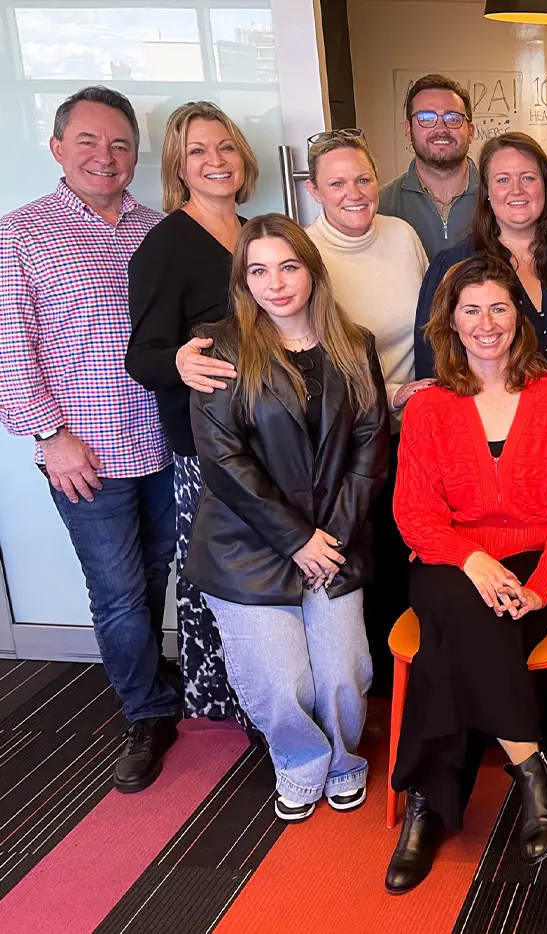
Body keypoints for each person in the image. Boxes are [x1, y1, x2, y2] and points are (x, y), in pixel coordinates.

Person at [386, 254, 547, 894]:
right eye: (471, 309)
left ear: (519, 317)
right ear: (450, 321)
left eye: (499, 308)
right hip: (452, 561)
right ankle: (534, 770)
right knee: (461, 604)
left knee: (449, 641)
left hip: (539, 564)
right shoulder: (429, 408)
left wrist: (541, 587)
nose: (486, 323)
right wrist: (472, 558)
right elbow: (413, 514)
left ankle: (427, 803)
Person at [0, 86, 180, 792]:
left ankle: (153, 677)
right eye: (88, 141)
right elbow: (11, 348)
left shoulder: (159, 229)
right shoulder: (22, 233)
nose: (105, 157)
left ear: (136, 154)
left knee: (157, 573)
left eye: (120, 144)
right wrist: (50, 436)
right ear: (56, 148)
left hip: (164, 442)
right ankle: (145, 713)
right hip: (85, 452)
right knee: (117, 592)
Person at [187, 214, 389, 821]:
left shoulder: (355, 344)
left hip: (334, 539)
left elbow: (370, 447)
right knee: (281, 680)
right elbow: (223, 459)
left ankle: (344, 761)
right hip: (247, 546)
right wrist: (298, 540)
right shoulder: (218, 349)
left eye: (288, 267)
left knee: (343, 673)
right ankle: (299, 763)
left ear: (312, 271)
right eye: (258, 271)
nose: (274, 284)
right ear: (243, 281)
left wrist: (332, 539)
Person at [126, 101, 258, 724]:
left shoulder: (256, 233)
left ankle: (270, 684)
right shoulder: (165, 245)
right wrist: (178, 363)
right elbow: (143, 355)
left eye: (225, 147)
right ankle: (226, 697)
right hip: (205, 442)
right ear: (178, 166)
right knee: (221, 570)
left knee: (266, 561)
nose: (216, 161)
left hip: (268, 431)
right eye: (198, 151)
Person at [414, 132, 547, 464]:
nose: (517, 189)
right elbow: (435, 369)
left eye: (528, 177)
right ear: (486, 192)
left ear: (546, 186)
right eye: (503, 179)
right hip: (493, 445)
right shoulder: (454, 266)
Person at [304, 128, 429, 689]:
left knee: (415, 551)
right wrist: (388, 394)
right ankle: (375, 690)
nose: (354, 193)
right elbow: (313, 360)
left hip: (414, 429)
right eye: (337, 184)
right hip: (349, 438)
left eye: (363, 179)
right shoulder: (305, 254)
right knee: (366, 557)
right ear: (314, 191)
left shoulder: (401, 235)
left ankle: (420, 672)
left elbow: (431, 323)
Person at [379, 74, 480, 260]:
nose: (441, 129)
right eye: (425, 118)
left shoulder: (498, 198)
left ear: (471, 131)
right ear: (408, 129)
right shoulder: (382, 206)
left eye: (453, 118)